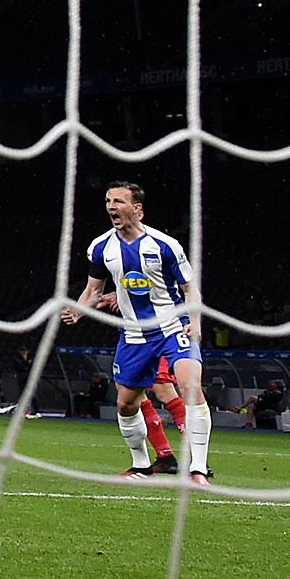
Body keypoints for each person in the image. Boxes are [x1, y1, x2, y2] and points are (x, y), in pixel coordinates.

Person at [63, 178, 212, 486]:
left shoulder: (165, 246)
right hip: (133, 335)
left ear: (138, 209)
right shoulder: (101, 247)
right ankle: (141, 464)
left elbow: (189, 288)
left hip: (171, 327)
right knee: (125, 403)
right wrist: (78, 310)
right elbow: (93, 289)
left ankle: (198, 469)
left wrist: (194, 322)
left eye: (118, 201)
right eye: (108, 201)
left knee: (190, 386)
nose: (111, 207)